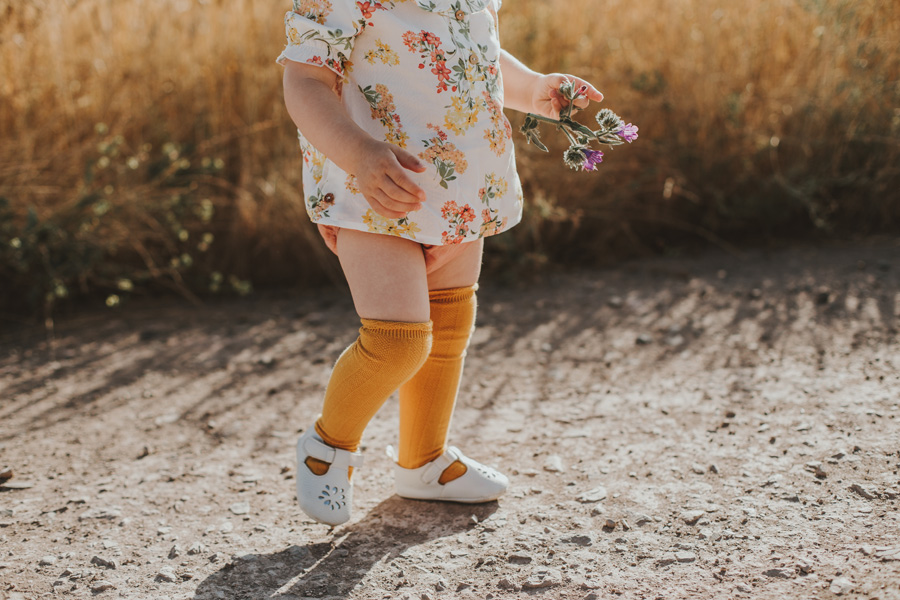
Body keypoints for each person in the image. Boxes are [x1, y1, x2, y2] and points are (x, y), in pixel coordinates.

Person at [279, 0, 603, 526]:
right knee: (398, 340)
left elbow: (478, 54)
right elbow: (306, 82)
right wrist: (360, 154)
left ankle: (423, 460)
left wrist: (535, 89)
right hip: (373, 187)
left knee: (449, 327)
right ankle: (327, 448)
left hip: (459, 182)